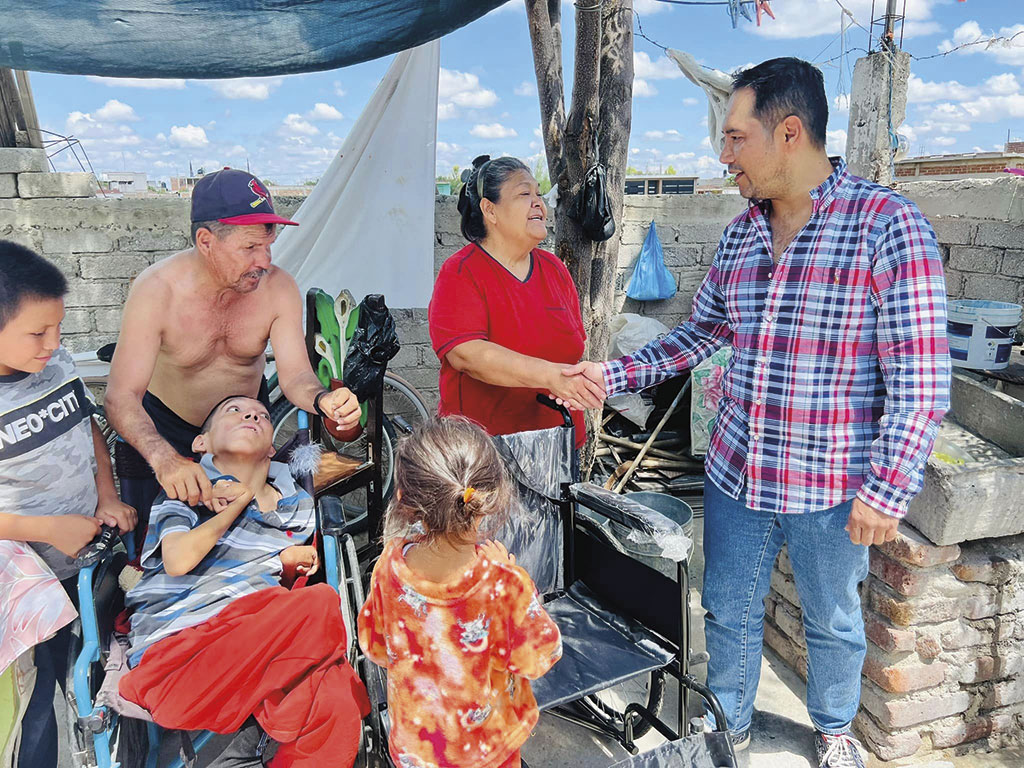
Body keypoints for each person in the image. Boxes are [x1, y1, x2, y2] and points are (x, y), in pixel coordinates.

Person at [564, 58, 951, 768]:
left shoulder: (886, 226)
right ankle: (728, 724)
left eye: (736, 137)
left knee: (833, 618)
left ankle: (833, 729)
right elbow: (701, 333)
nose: (724, 154)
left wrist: (888, 487)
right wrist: (611, 374)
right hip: (737, 472)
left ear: (790, 134)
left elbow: (920, 376)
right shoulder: (742, 234)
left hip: (831, 484)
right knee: (727, 610)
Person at [105, 167, 360, 540]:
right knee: (161, 546)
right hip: (167, 429)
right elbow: (121, 396)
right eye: (250, 248)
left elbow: (295, 376)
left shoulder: (277, 288)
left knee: (249, 543)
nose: (265, 261)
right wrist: (164, 458)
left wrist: (324, 400)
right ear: (206, 241)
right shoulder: (157, 291)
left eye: (268, 245)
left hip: (244, 433)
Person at [119, 395, 368, 768]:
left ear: (271, 449)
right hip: (180, 660)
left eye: (262, 415)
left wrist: (284, 565)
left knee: (337, 700)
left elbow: (268, 588)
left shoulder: (297, 508)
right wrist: (238, 502)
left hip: (256, 647)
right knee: (321, 604)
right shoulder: (187, 492)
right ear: (201, 443)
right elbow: (178, 560)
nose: (251, 413)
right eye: (233, 411)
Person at [0, 241, 137, 768]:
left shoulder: (54, 360)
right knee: (36, 710)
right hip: (25, 591)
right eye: (38, 332)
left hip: (87, 561)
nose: (55, 343)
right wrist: (47, 529)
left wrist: (107, 493)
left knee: (99, 679)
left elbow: (86, 426)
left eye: (58, 327)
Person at [358, 417, 562, 768]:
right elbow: (540, 656)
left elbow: (375, 647)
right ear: (489, 500)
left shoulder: (388, 566)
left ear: (404, 499)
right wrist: (520, 581)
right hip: (487, 753)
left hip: (416, 751)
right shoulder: (505, 584)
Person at [428, 155, 603, 448]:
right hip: (485, 452)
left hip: (556, 445)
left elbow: (574, 346)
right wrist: (550, 375)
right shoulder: (461, 272)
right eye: (524, 194)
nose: (538, 203)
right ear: (490, 210)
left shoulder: (554, 269)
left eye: (539, 194)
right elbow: (467, 354)